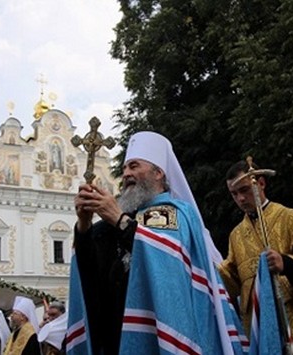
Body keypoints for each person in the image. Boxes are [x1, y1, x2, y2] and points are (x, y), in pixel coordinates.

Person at [68, 131, 246, 354]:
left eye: (134, 166)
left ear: (158, 172)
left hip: (158, 334)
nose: (126, 174)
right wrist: (84, 226)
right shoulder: (120, 220)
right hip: (115, 334)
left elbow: (168, 263)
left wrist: (118, 219)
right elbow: (91, 269)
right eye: (124, 169)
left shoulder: (177, 213)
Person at [219, 160, 293, 353]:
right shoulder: (236, 235)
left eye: (244, 190)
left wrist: (288, 263)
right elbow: (230, 276)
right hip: (260, 327)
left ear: (261, 183)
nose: (240, 198)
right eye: (234, 194)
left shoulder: (290, 217)